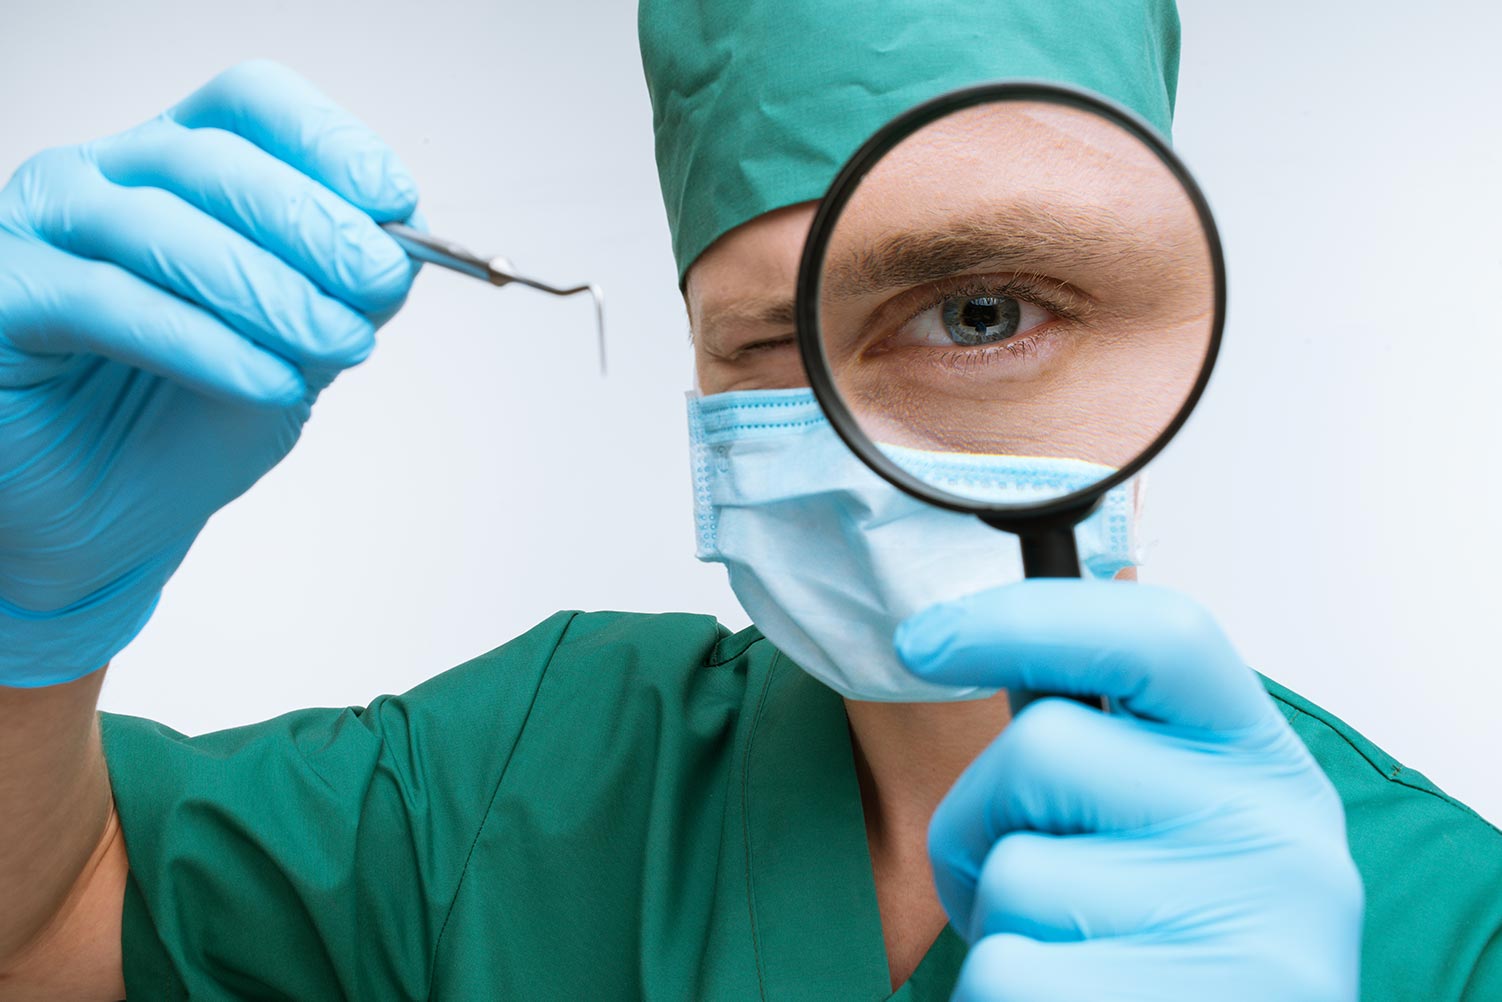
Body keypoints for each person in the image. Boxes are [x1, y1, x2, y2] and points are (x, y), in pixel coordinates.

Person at [0, 3, 1497, 1001]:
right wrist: (19, 622)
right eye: (770, 342)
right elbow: (55, 919)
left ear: (1166, 315)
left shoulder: (1447, 926)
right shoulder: (528, 784)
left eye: (979, 313)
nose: (857, 439)